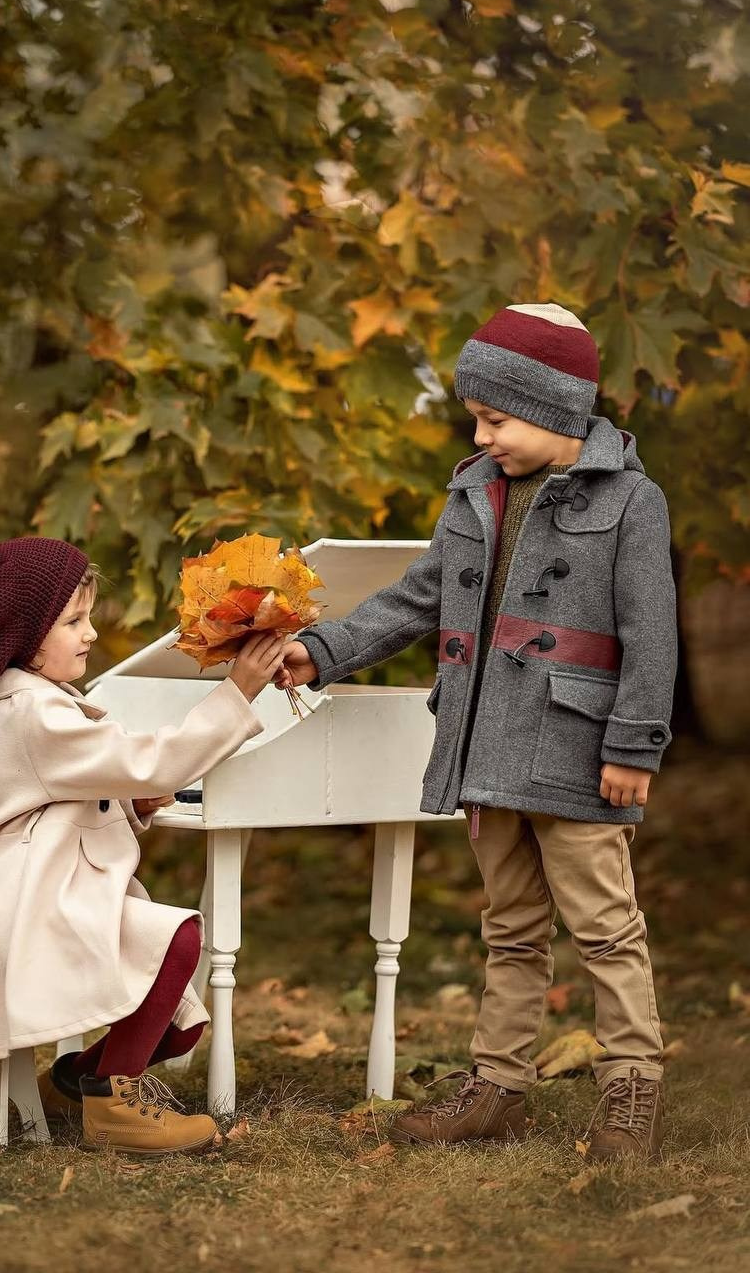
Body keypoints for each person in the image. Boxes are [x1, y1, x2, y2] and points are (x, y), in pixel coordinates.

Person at [276, 303, 677, 1162]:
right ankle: (497, 1087)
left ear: (552, 408)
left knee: (605, 926)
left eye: (495, 419)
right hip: (483, 745)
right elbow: (418, 596)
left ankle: (631, 1086)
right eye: (476, 418)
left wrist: (631, 746)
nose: (481, 435)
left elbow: (652, 634)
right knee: (510, 927)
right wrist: (323, 650)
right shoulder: (471, 495)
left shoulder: (630, 501)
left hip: (575, 751)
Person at [0, 536, 285, 1155]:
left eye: (87, 618)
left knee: (177, 1022)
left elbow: (63, 799)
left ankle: (72, 1085)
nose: (90, 633)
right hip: (26, 903)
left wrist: (131, 805)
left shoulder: (43, 703)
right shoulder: (36, 714)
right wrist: (237, 691)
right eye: (73, 622)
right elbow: (155, 762)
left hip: (50, 889)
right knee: (178, 939)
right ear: (27, 638)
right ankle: (112, 1106)